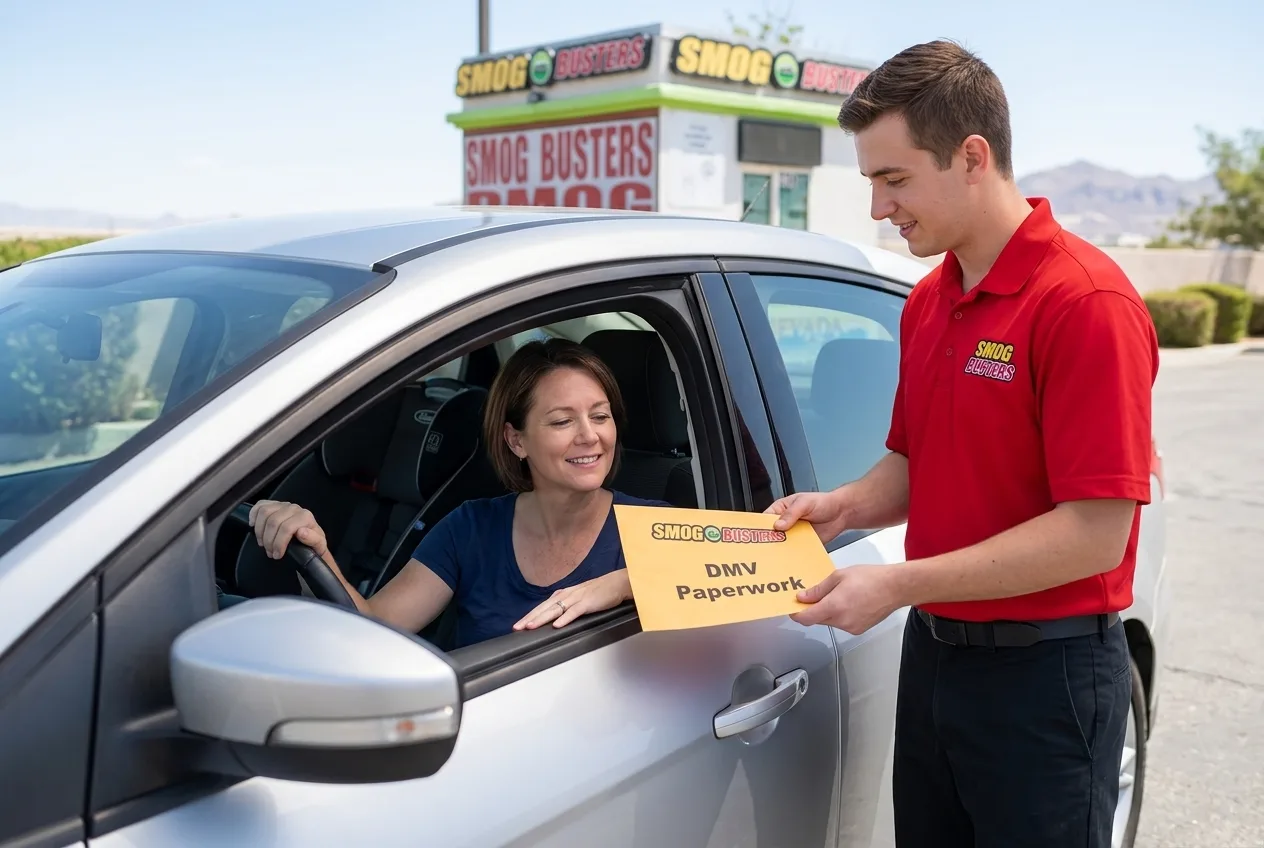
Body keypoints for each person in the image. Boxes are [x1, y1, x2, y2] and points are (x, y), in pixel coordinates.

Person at [765, 40, 1159, 848]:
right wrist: (841, 506)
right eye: (872, 181)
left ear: (972, 156)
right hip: (936, 663)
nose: (879, 208)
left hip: (1043, 683)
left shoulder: (1085, 303)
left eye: (894, 179)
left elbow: (1097, 532)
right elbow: (915, 462)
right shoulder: (929, 301)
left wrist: (897, 583)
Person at [248, 338, 669, 649]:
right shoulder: (471, 526)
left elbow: (735, 567)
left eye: (600, 416)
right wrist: (313, 552)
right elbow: (375, 627)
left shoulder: (655, 530)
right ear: (516, 440)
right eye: (562, 422)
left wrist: (623, 584)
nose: (589, 435)